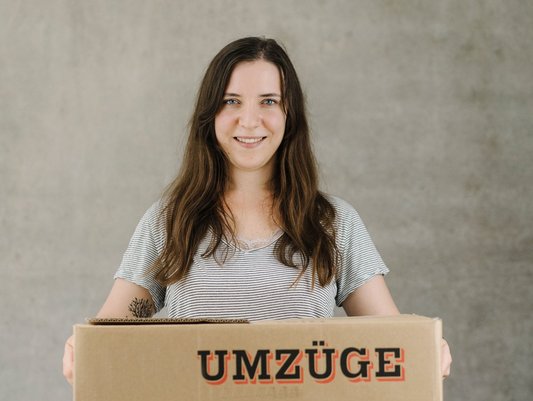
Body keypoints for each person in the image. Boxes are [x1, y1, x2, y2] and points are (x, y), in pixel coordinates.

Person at [62, 36, 451, 384]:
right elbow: (111, 334)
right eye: (231, 101)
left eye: (268, 101)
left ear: (289, 114)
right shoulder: (170, 220)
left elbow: (391, 343)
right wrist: (85, 350)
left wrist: (424, 351)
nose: (249, 121)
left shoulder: (333, 223)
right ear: (210, 115)